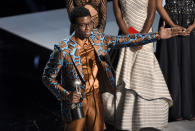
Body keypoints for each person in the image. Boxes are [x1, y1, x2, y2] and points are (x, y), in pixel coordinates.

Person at [42, 6, 178, 131]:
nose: (88, 28)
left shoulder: (98, 38)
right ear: (74, 25)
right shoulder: (63, 49)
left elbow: (125, 40)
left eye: (89, 23)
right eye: (83, 25)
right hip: (76, 102)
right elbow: (47, 77)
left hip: (95, 97)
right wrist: (66, 95)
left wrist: (157, 36)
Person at [105, 0, 173, 130]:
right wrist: (130, 38)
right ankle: (127, 119)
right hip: (127, 34)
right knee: (128, 72)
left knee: (145, 72)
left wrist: (141, 38)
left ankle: (150, 119)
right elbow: (119, 16)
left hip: (145, 34)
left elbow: (151, 14)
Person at [155, 0, 195, 121]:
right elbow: (158, 5)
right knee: (171, 65)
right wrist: (172, 25)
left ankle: (190, 110)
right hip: (169, 22)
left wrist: (193, 25)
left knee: (190, 65)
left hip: (190, 22)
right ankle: (174, 111)